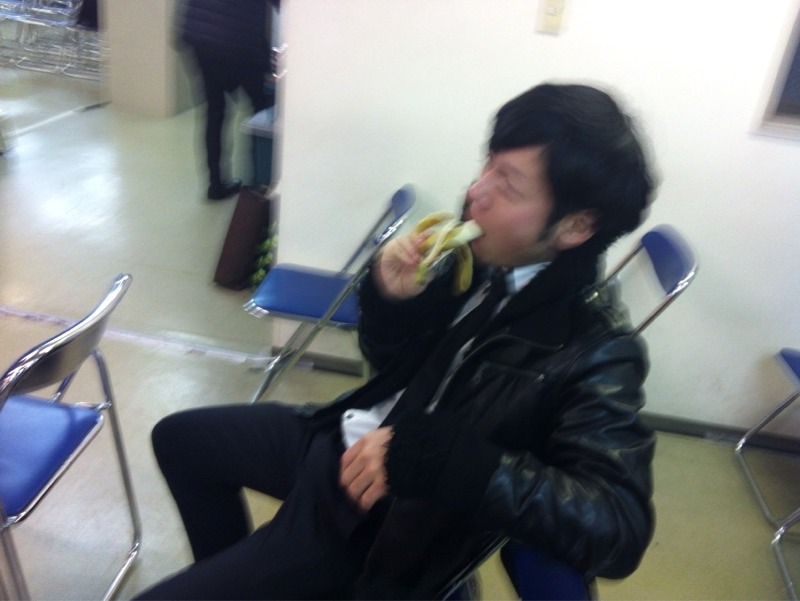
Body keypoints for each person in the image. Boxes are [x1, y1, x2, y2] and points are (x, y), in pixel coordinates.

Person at [135, 82, 657, 600]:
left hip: (377, 526)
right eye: (488, 165)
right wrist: (391, 302)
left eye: (509, 186)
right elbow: (392, 364)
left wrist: (451, 461)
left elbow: (618, 526)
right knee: (180, 440)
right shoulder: (486, 261)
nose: (476, 193)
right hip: (344, 438)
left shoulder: (597, 349)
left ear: (576, 226)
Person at [177, 0, 280, 201]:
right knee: (261, 109)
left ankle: (215, 185)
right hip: (238, 38)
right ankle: (257, 185)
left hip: (201, 36)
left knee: (215, 112)